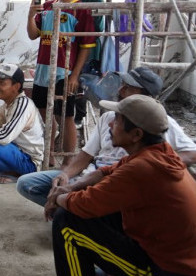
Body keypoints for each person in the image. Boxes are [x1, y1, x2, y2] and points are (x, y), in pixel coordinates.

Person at [49, 95, 196, 276]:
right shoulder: (158, 152)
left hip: (165, 270)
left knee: (66, 221)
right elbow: (106, 171)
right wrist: (70, 187)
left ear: (136, 134)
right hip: (169, 258)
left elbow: (84, 204)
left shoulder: (142, 167)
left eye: (117, 121)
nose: (110, 125)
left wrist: (57, 198)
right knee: (89, 211)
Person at [17, 66, 196, 206]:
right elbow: (86, 156)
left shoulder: (158, 125)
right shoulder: (108, 117)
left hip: (117, 184)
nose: (121, 89)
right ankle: (75, 214)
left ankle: (74, 215)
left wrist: (158, 165)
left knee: (71, 203)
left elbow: (191, 153)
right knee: (28, 184)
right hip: (94, 175)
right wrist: (66, 175)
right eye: (123, 84)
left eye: (128, 88)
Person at [27, 0, 96, 158]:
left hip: (63, 71)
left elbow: (86, 46)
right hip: (43, 69)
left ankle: (68, 159)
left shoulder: (81, 9)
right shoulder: (48, 6)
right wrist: (30, 15)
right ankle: (48, 154)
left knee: (65, 116)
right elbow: (33, 34)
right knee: (42, 112)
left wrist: (75, 76)